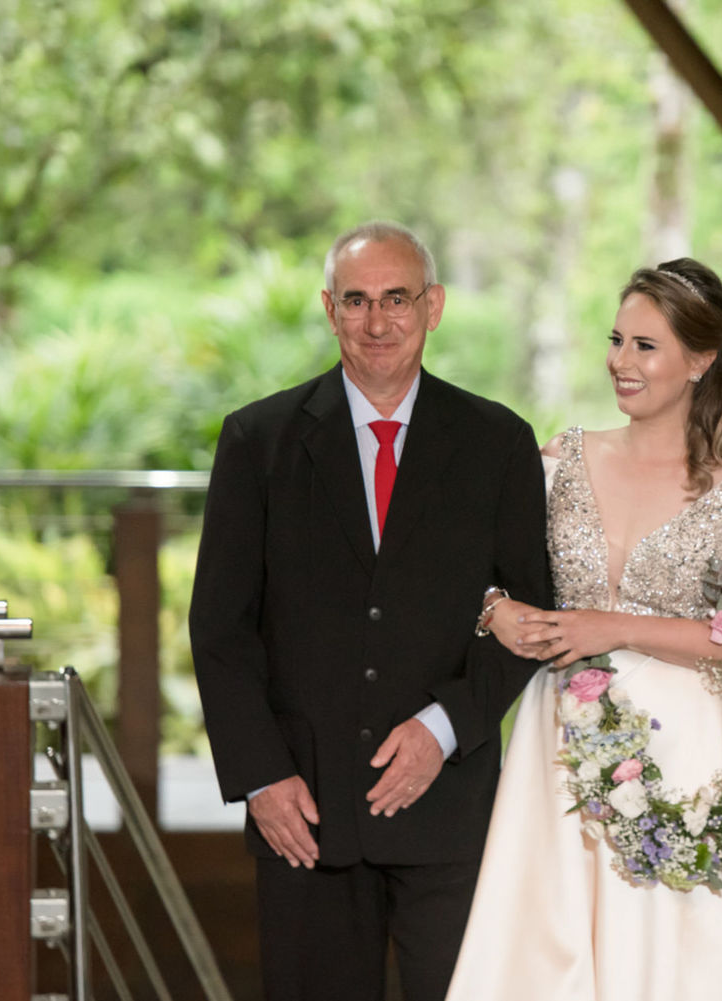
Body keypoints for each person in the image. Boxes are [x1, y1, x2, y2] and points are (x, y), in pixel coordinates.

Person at [444, 259, 722, 1001]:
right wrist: (496, 606)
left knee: (681, 954)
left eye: (645, 346)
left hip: (690, 749)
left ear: (700, 360)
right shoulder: (560, 459)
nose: (620, 362)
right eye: (616, 340)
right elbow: (475, 566)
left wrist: (613, 626)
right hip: (561, 737)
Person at [188, 221, 550, 1001]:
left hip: (449, 808)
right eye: (356, 300)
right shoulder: (257, 440)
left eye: (397, 298)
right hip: (304, 811)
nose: (377, 320)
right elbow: (220, 630)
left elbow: (532, 614)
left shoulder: (498, 442)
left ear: (434, 306)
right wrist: (262, 776)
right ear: (329, 310)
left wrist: (443, 728)